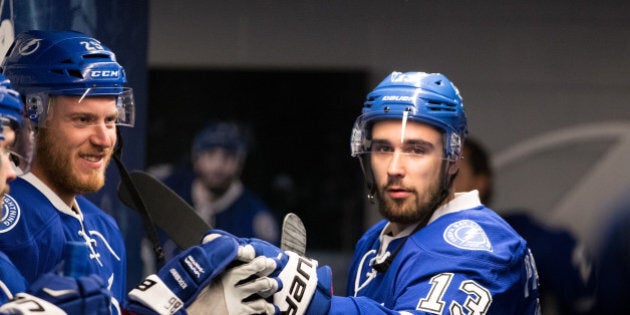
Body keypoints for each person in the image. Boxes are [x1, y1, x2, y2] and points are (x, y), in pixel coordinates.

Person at [239, 71, 540, 314]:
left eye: (416, 150)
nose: (395, 167)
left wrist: (313, 304)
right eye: (383, 148)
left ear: (452, 158)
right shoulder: (374, 241)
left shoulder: (483, 249)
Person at [453, 137, 596, 315]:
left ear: (480, 183)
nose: (440, 183)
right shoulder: (411, 245)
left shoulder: (527, 241)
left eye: (453, 172)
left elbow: (590, 301)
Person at [154, 121, 279, 259]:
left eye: (228, 157)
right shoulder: (169, 189)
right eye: (210, 154)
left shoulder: (254, 217)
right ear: (196, 158)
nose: (218, 165)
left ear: (240, 163)